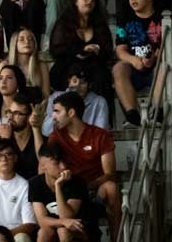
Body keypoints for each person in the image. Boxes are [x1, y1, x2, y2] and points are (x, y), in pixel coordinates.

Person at [47, 92, 119, 239]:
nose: (53, 116)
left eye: (57, 111)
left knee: (111, 187)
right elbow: (47, 163)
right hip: (70, 190)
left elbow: (109, 173)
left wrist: (87, 186)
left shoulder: (99, 135)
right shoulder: (55, 136)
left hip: (94, 189)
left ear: (71, 112)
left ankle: (117, 238)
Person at [112, 0, 163, 129]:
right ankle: (132, 116)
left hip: (156, 68)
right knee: (118, 68)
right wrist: (133, 60)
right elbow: (120, 49)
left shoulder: (163, 18)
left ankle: (158, 113)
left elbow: (167, 47)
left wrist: (154, 58)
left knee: (163, 65)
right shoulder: (125, 21)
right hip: (134, 68)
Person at [28, 143, 93, 242]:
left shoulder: (77, 182)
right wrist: (63, 222)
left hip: (81, 230)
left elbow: (67, 216)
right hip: (53, 228)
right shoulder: (35, 183)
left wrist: (58, 186)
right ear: (43, 165)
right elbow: (42, 220)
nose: (63, 166)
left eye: (64, 161)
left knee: (63, 231)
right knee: (43, 232)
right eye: (57, 162)